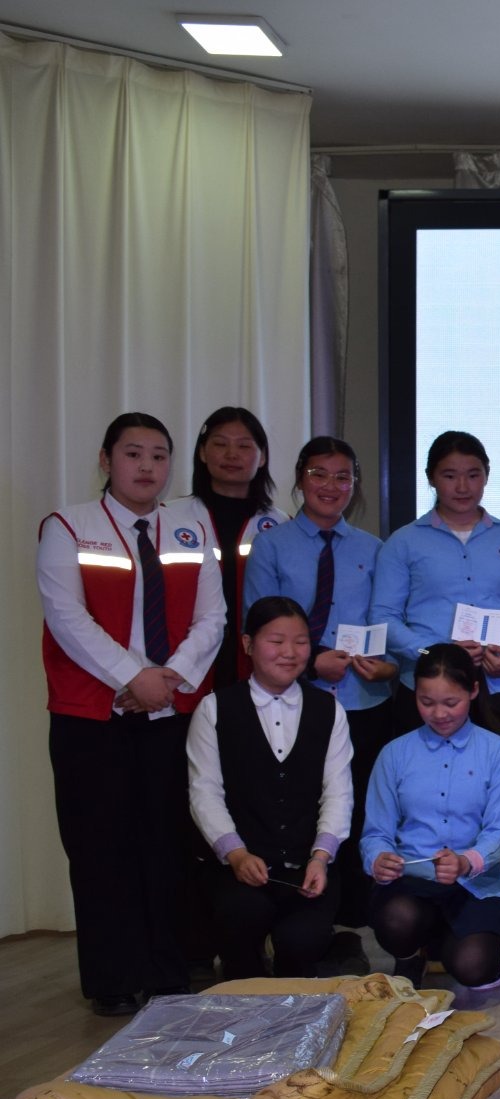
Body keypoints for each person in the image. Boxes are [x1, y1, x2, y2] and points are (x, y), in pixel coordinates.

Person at [39, 413, 226, 1015]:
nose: (147, 467)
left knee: (167, 844)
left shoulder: (191, 528)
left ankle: (168, 971)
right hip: (91, 716)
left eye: (158, 455)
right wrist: (133, 677)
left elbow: (213, 618)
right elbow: (67, 618)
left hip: (170, 711)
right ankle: (113, 978)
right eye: (133, 454)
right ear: (106, 460)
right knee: (100, 847)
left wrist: (168, 681)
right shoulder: (69, 526)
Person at [242, 436, 395, 946]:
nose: (331, 486)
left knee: (360, 811)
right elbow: (259, 627)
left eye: (343, 477)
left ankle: (352, 927)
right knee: (306, 813)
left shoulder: (374, 549)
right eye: (319, 474)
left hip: (364, 702)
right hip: (295, 702)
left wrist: (386, 666)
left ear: (355, 485)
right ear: (300, 478)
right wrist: (310, 664)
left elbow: (387, 624)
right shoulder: (272, 545)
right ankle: (308, 927)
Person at [185, 596, 353, 979]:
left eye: (301, 642)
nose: (290, 653)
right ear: (248, 644)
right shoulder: (214, 709)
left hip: (306, 866)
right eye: (276, 641)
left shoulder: (329, 710)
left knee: (302, 942)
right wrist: (236, 853)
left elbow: (339, 792)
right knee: (242, 916)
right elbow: (204, 791)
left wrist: (320, 857)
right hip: (238, 867)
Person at [361, 643, 500, 989]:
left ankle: (460, 946)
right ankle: (411, 955)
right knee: (397, 919)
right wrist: (377, 858)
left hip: (476, 886)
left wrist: (466, 862)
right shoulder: (394, 754)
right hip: (411, 884)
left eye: (450, 702)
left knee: (474, 968)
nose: (439, 713)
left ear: (473, 691)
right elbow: (376, 832)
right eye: (426, 702)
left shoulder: (497, 752)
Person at [371, 431, 500, 739]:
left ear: (486, 475)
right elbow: (383, 616)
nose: (462, 487)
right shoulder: (403, 542)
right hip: (428, 690)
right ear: (431, 478)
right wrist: (430, 652)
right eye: (449, 476)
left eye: (473, 475)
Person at [179, 406, 284, 692]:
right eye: (220, 444)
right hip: (186, 660)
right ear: (202, 453)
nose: (231, 454)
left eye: (244, 446)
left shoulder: (281, 525)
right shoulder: (170, 518)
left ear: (262, 457)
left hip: (256, 663)